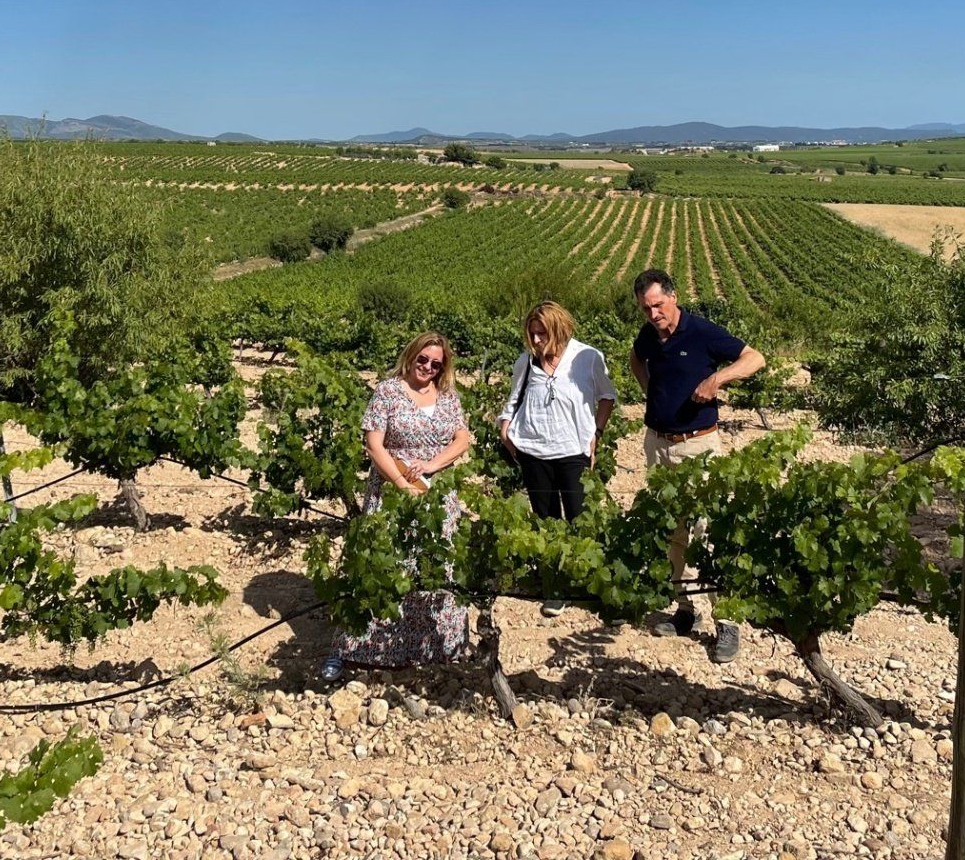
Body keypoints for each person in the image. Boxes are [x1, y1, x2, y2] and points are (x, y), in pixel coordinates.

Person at [628, 268, 765, 663]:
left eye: (658, 305)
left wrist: (717, 379)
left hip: (697, 447)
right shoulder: (649, 335)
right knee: (675, 531)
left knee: (708, 530)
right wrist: (651, 391)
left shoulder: (702, 332)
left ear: (673, 297)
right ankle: (686, 610)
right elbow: (636, 359)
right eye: (645, 309)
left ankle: (727, 622)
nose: (653, 314)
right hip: (658, 445)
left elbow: (755, 358)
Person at [322, 332, 473, 683]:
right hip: (392, 492)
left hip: (437, 497)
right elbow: (374, 444)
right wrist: (402, 484)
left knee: (435, 567)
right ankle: (357, 648)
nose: (428, 367)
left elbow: (462, 438)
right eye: (423, 359)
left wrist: (432, 466)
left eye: (436, 364)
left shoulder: (448, 396)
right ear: (411, 355)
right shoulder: (388, 391)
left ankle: (434, 647)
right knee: (383, 567)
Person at [498, 301, 617, 615]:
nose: (536, 340)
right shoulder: (526, 361)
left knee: (580, 516)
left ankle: (588, 583)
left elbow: (607, 396)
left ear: (559, 329)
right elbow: (513, 399)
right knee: (547, 519)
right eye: (532, 334)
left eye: (542, 333)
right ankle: (556, 587)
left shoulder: (587, 357)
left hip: (573, 450)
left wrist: (597, 432)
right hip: (533, 451)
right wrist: (505, 428)